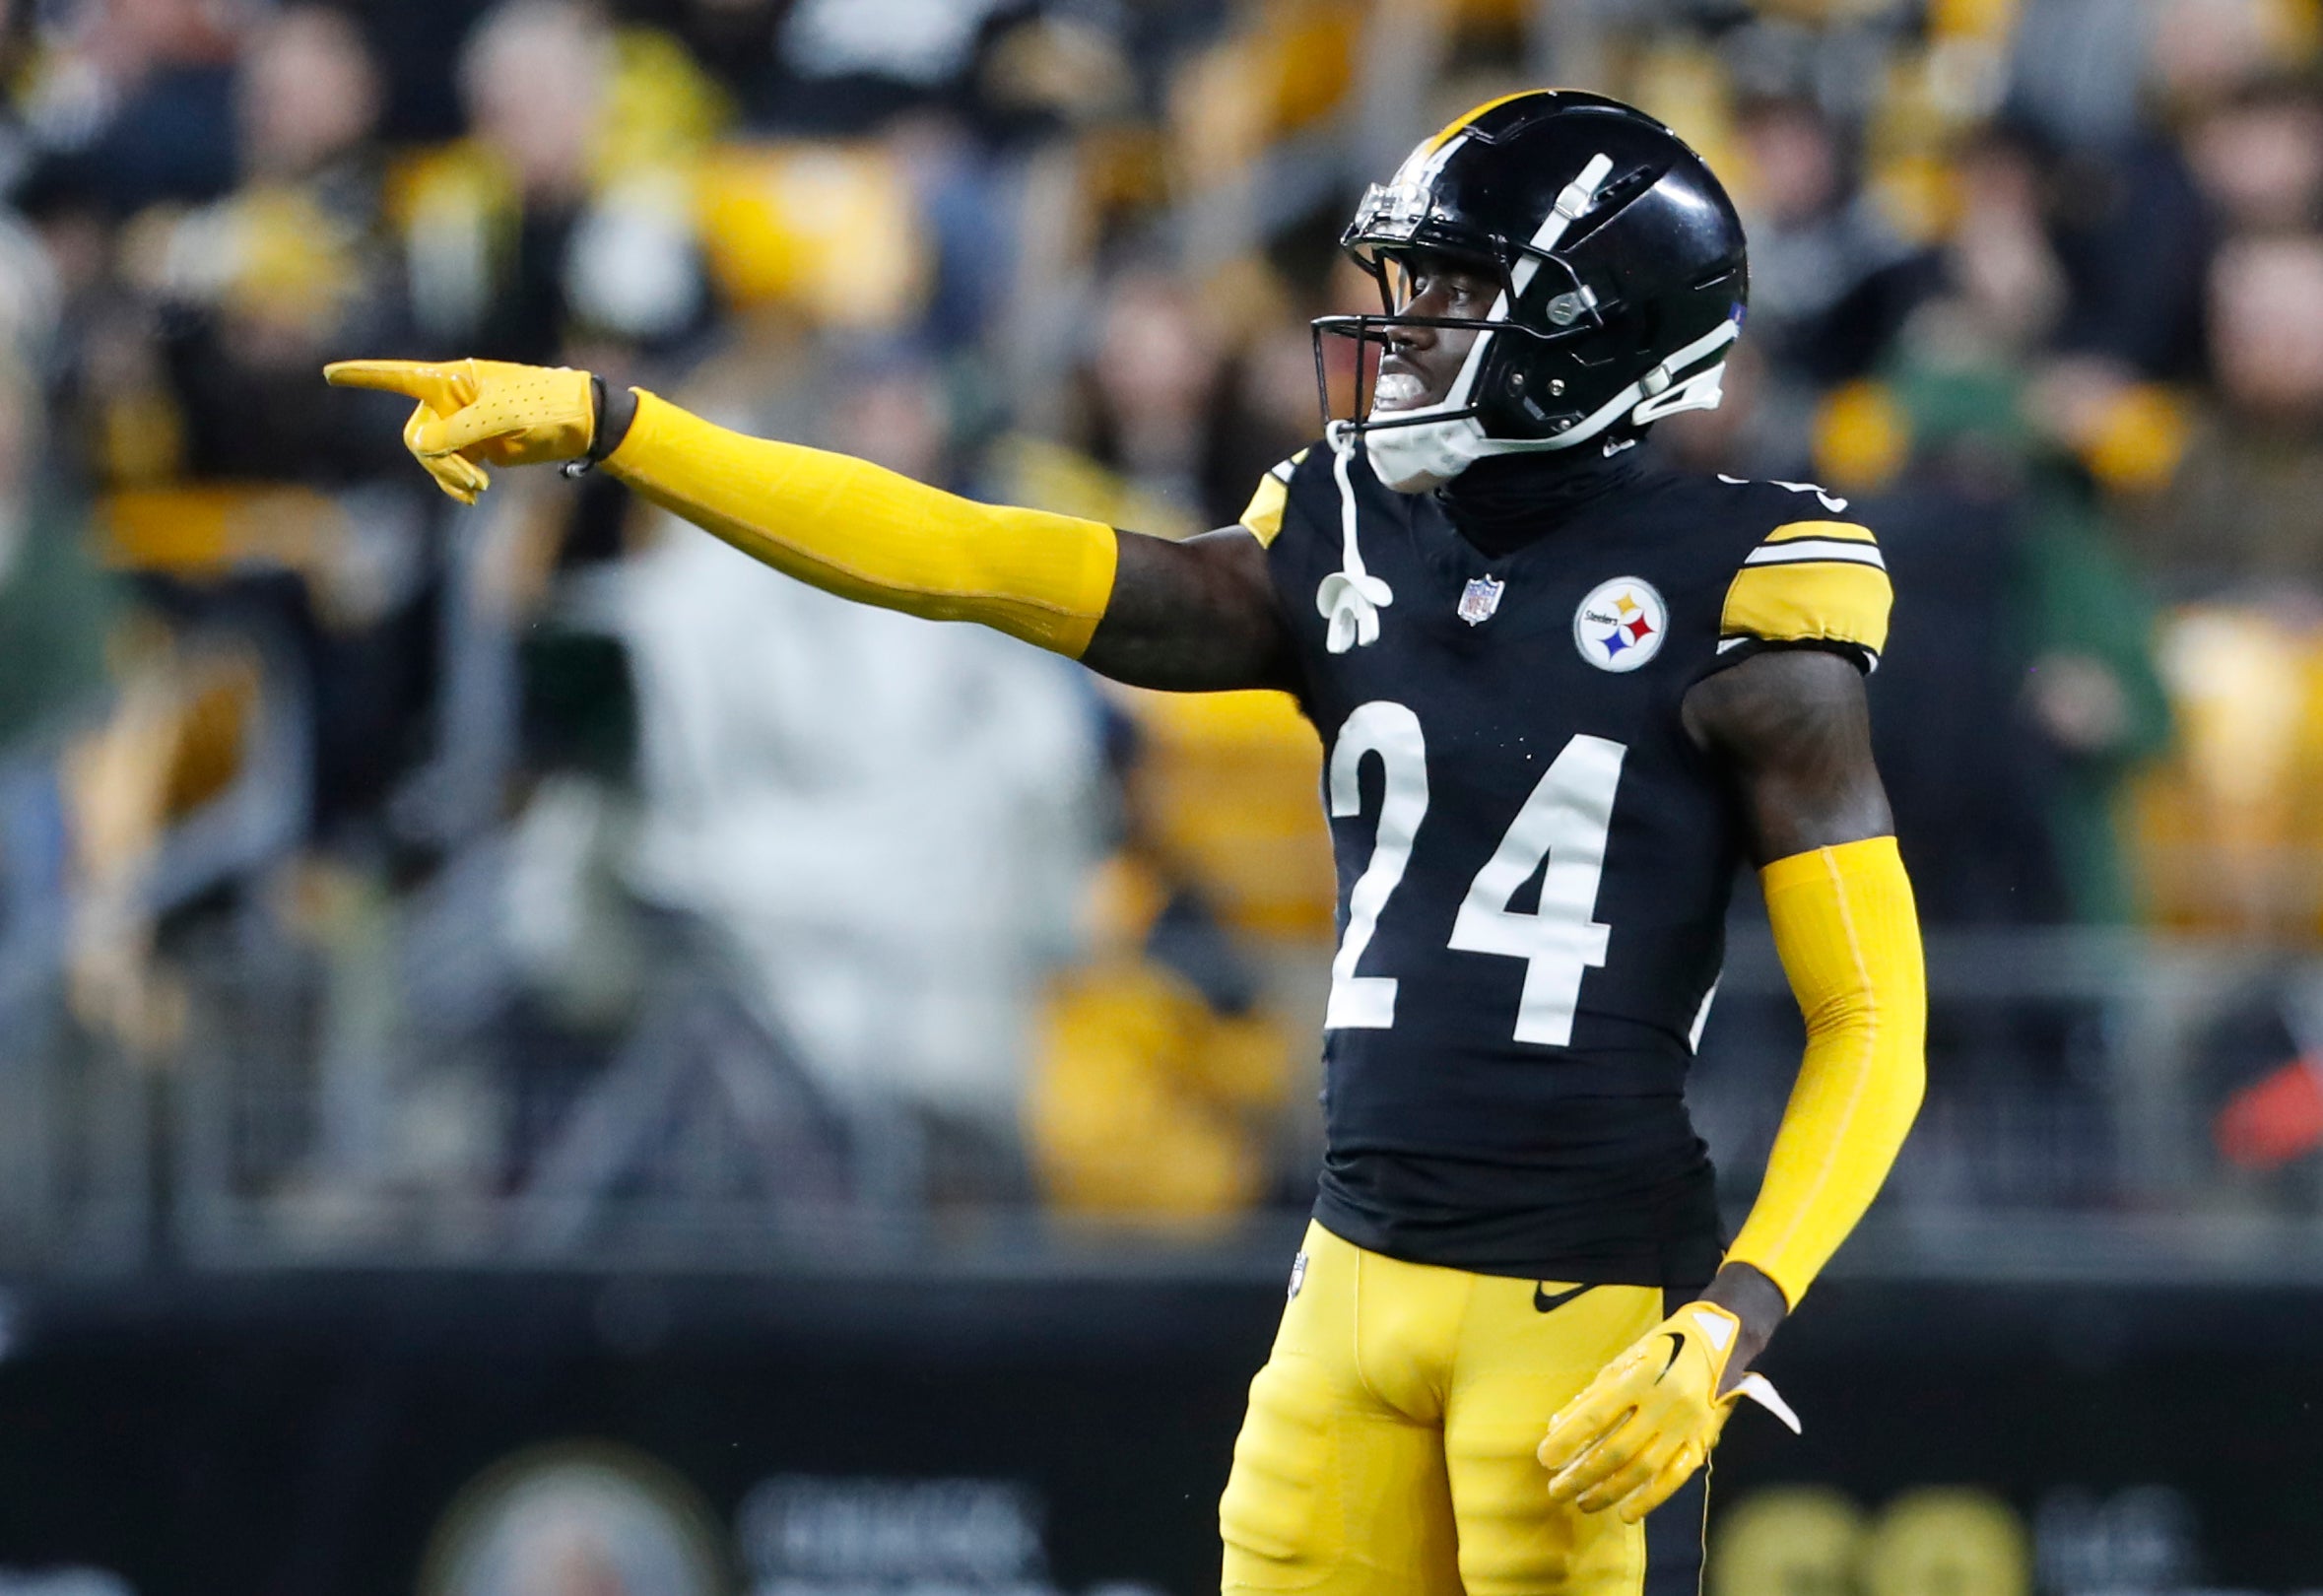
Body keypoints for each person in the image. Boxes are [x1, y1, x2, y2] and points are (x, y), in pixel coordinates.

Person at [324, 90, 1926, 1596]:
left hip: (1588, 1308)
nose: (1404, 325)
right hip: (1348, 1278)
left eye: (1453, 288)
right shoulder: (1340, 532)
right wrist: (625, 428)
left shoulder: (1748, 592)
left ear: (1589, 331)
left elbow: (1873, 1019)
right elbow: (968, 557)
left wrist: (1731, 1321)